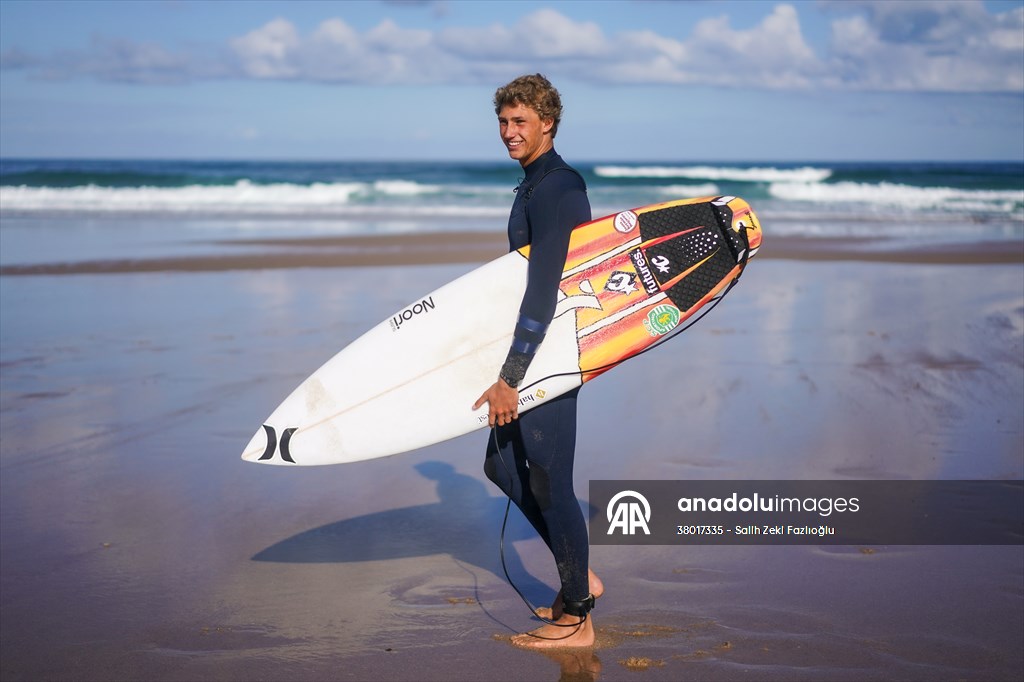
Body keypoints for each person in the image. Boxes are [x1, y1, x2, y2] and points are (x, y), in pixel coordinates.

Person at [473, 74, 603, 649]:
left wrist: (510, 376)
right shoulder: (533, 185)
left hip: (550, 355)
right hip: (537, 350)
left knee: (551, 480)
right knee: (502, 467)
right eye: (503, 121)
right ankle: (580, 575)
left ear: (547, 122)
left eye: (519, 121)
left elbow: (544, 288)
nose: (508, 132)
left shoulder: (557, 187)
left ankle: (578, 615)